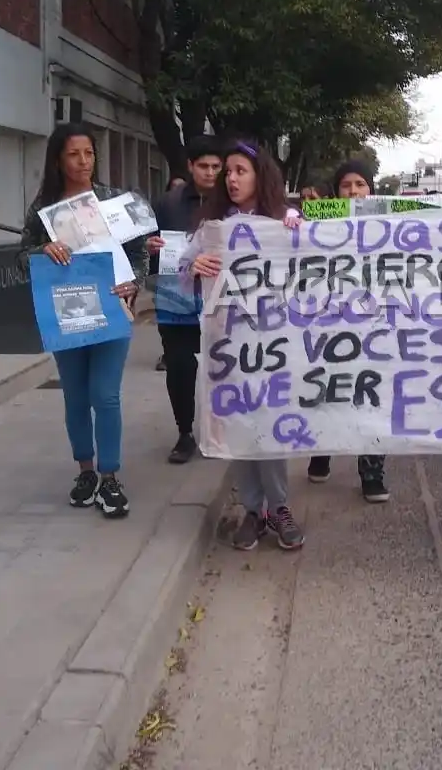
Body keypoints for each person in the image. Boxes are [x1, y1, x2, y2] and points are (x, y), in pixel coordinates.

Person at [18, 122, 148, 518]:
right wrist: (43, 250)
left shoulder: (112, 201)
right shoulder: (44, 208)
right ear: (58, 160)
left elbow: (140, 252)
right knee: (75, 396)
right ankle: (86, 472)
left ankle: (110, 477)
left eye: (89, 153)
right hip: (68, 312)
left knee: (105, 395)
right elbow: (21, 257)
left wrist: (134, 282)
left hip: (111, 308)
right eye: (74, 154)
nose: (83, 161)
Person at [188, 141, 305, 551]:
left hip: (274, 346)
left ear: (260, 176)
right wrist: (194, 266)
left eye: (241, 171)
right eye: (229, 172)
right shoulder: (213, 227)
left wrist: (296, 226)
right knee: (239, 425)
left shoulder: (283, 221)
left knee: (268, 423)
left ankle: (279, 506)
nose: (232, 179)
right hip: (229, 345)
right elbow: (183, 267)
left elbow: (312, 265)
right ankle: (253, 510)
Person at [305, 160, 391, 502]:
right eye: (346, 185)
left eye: (360, 185)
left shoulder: (392, 226)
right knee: (328, 390)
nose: (353, 192)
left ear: (371, 189)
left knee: (373, 397)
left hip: (375, 328)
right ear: (336, 191)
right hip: (330, 326)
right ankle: (322, 450)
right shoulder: (319, 225)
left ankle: (372, 472)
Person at [147, 138, 223, 462]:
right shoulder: (168, 203)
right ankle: (184, 433)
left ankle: (220, 431)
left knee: (223, 368)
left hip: (221, 303)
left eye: (216, 166)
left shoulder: (233, 201)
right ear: (190, 166)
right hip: (175, 302)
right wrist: (150, 247)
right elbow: (145, 247)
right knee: (179, 367)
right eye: (203, 166)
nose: (210, 172)